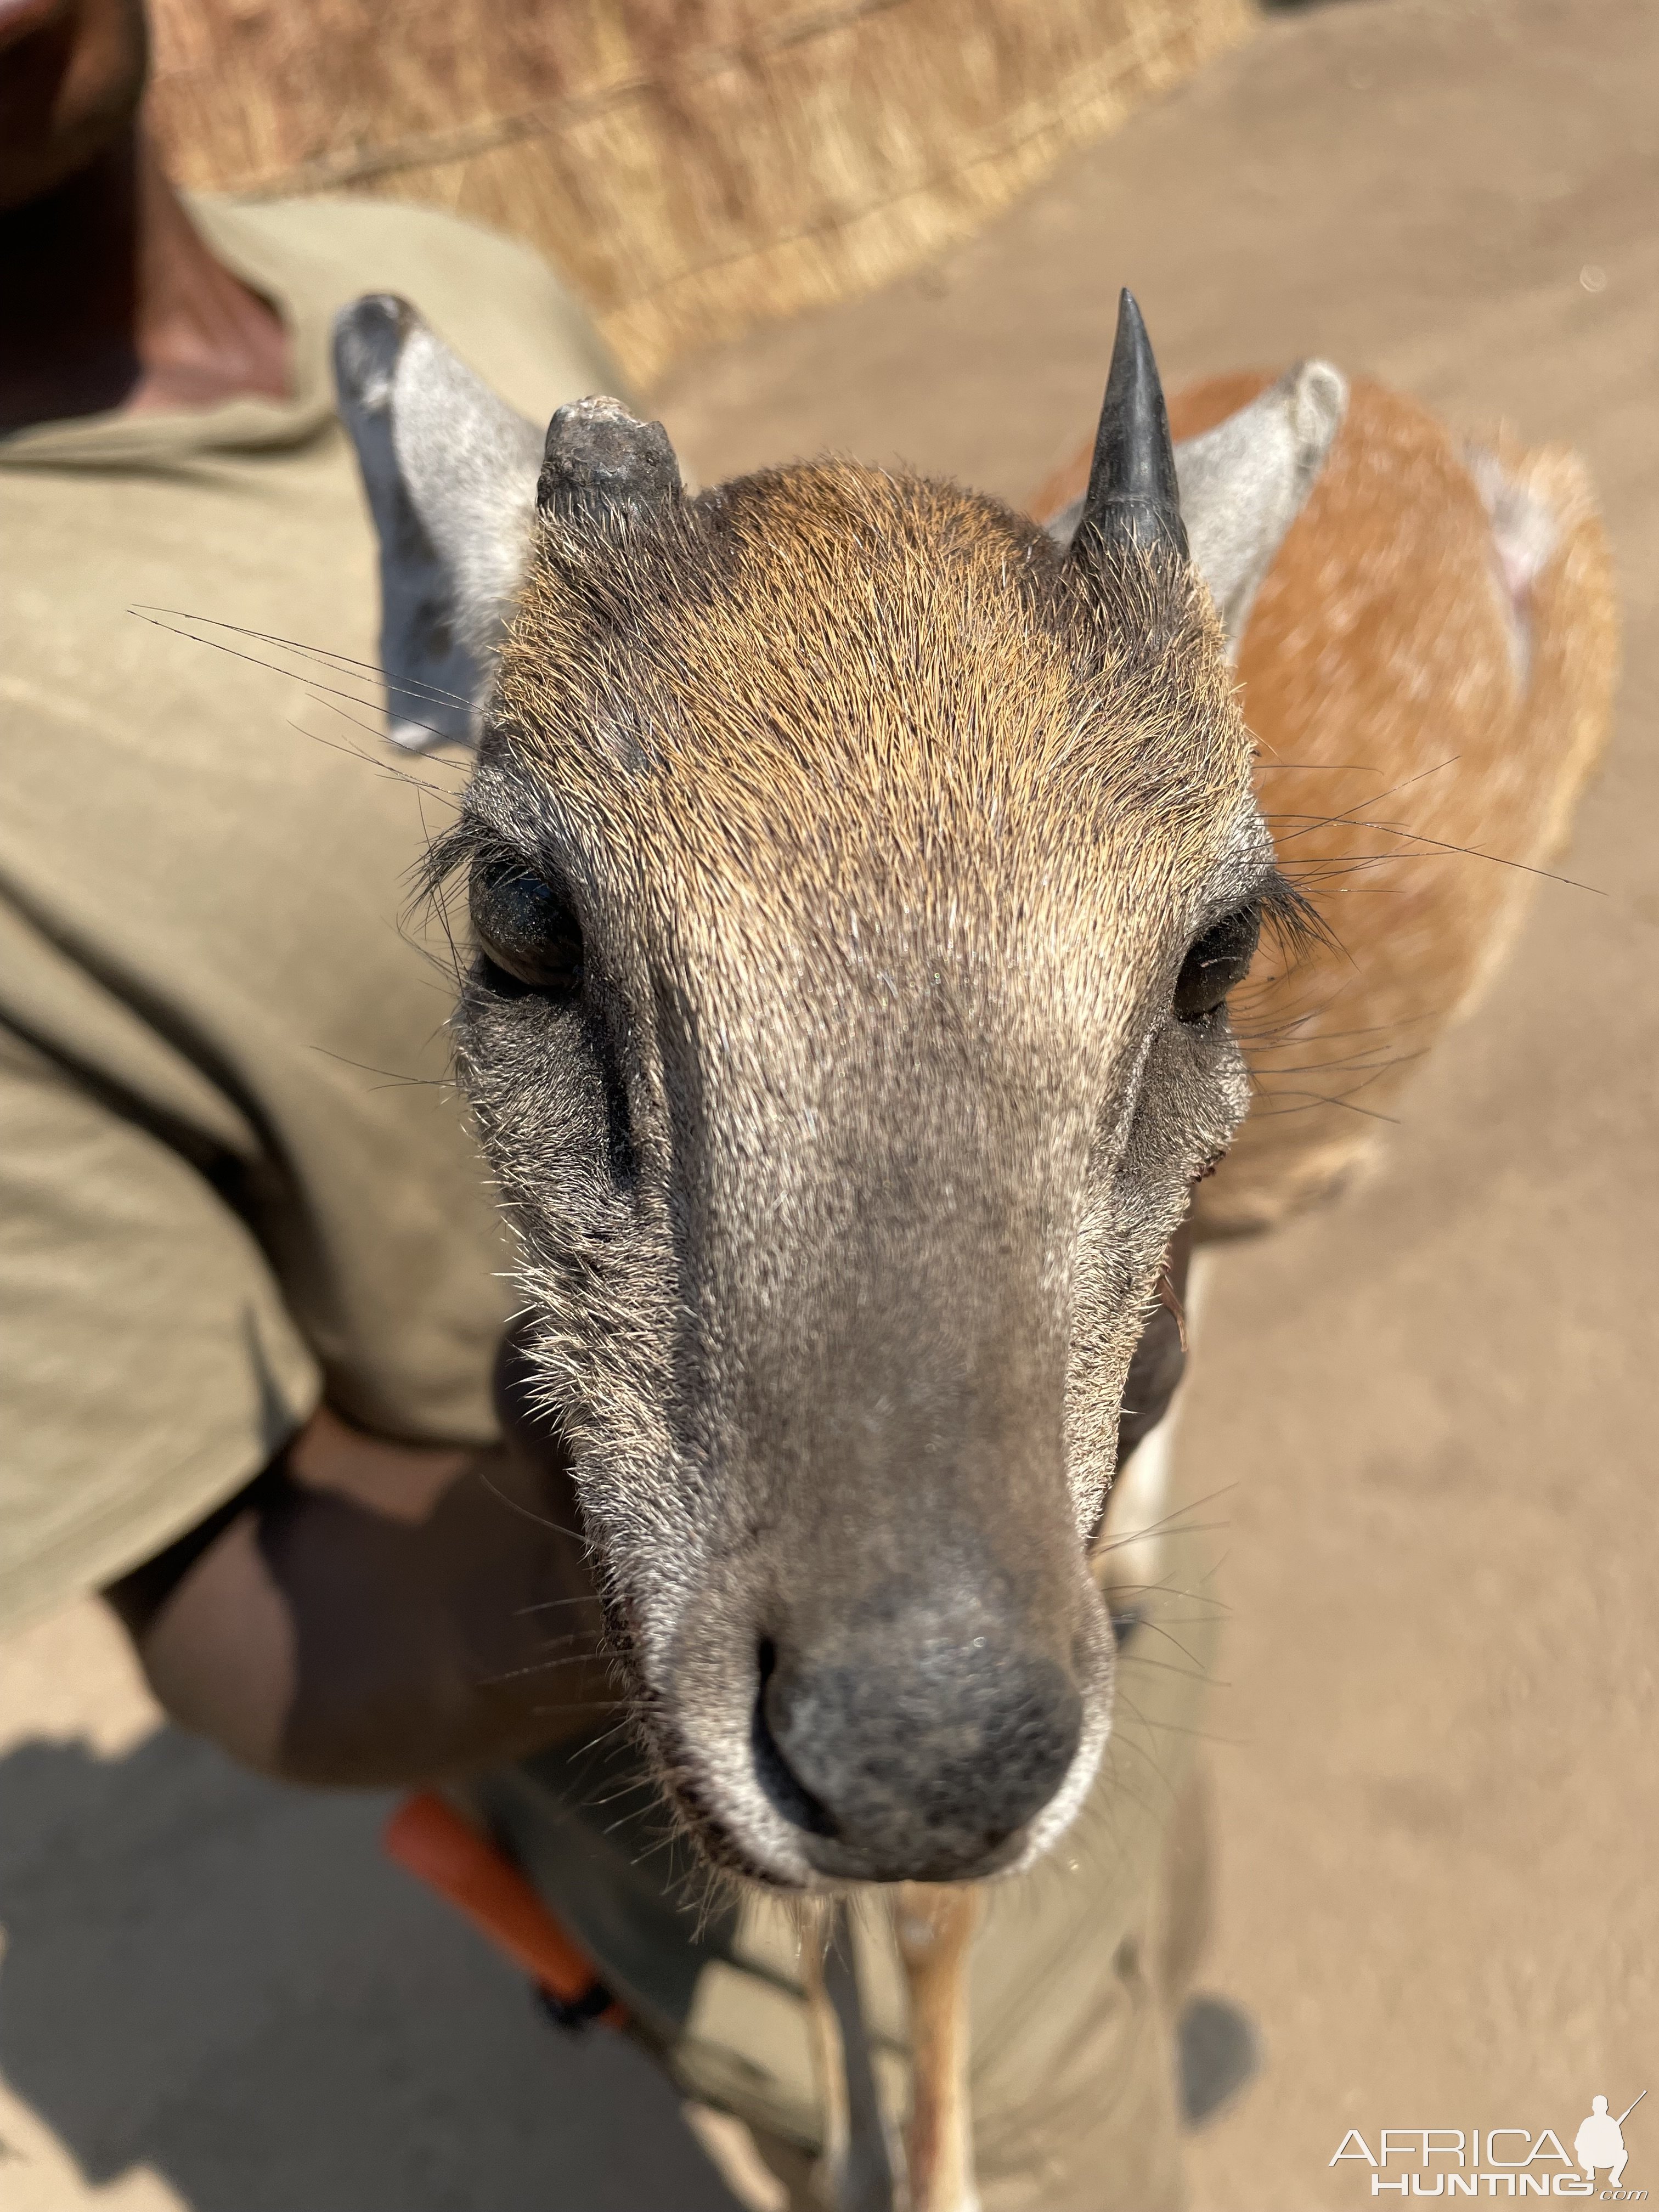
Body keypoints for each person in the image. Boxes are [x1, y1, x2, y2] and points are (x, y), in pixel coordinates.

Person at [0, 6, 1219, 2203]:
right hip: (670, 1710)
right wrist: (660, 1506)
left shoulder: (426, 275)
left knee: (1166, 1893)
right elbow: (240, 1640)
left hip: (1078, 1558)